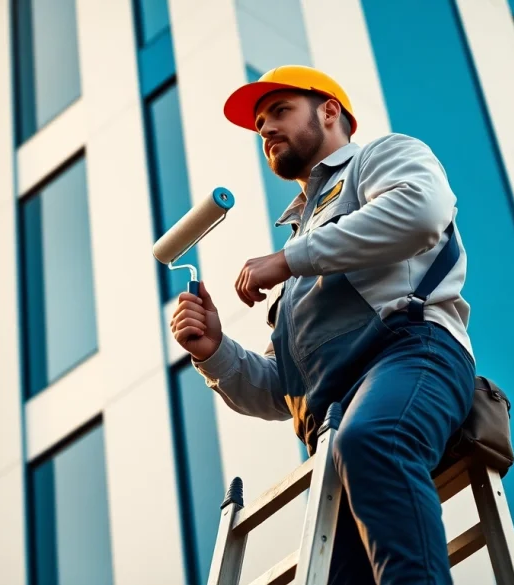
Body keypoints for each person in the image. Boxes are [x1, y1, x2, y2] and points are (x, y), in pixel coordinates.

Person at [169, 65, 476, 584]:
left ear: (330, 111)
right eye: (260, 123)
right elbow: (282, 390)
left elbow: (423, 210)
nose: (265, 129)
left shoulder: (378, 157)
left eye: (280, 111)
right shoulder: (299, 246)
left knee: (375, 439)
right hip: (329, 426)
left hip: (410, 356)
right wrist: (214, 350)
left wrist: (290, 258)